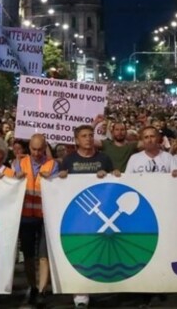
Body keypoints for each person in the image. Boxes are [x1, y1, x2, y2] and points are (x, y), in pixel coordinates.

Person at [58, 125, 116, 308]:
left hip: (101, 214)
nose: (88, 139)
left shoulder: (104, 159)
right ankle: (80, 294)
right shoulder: (68, 160)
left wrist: (110, 174)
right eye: (84, 136)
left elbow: (115, 180)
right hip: (77, 216)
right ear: (76, 140)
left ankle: (97, 285)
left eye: (91, 135)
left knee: (99, 252)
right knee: (80, 252)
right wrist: (60, 177)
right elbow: (60, 186)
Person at [12, 134, 58, 305]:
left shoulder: (53, 164)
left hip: (46, 216)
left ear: (45, 147)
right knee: (29, 255)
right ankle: (32, 286)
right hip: (25, 216)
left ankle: (42, 289)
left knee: (44, 255)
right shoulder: (19, 163)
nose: (37, 153)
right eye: (33, 149)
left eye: (40, 149)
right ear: (29, 148)